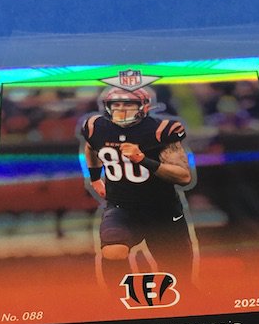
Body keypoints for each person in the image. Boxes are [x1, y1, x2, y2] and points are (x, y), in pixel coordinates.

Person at [80, 86, 196, 293]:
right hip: (122, 207)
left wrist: (142, 159)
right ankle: (119, 298)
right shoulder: (95, 127)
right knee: (113, 251)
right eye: (116, 104)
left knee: (178, 276)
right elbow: (91, 146)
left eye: (128, 104)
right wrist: (95, 178)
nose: (121, 109)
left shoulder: (159, 131)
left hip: (162, 209)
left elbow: (183, 177)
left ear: (144, 107)